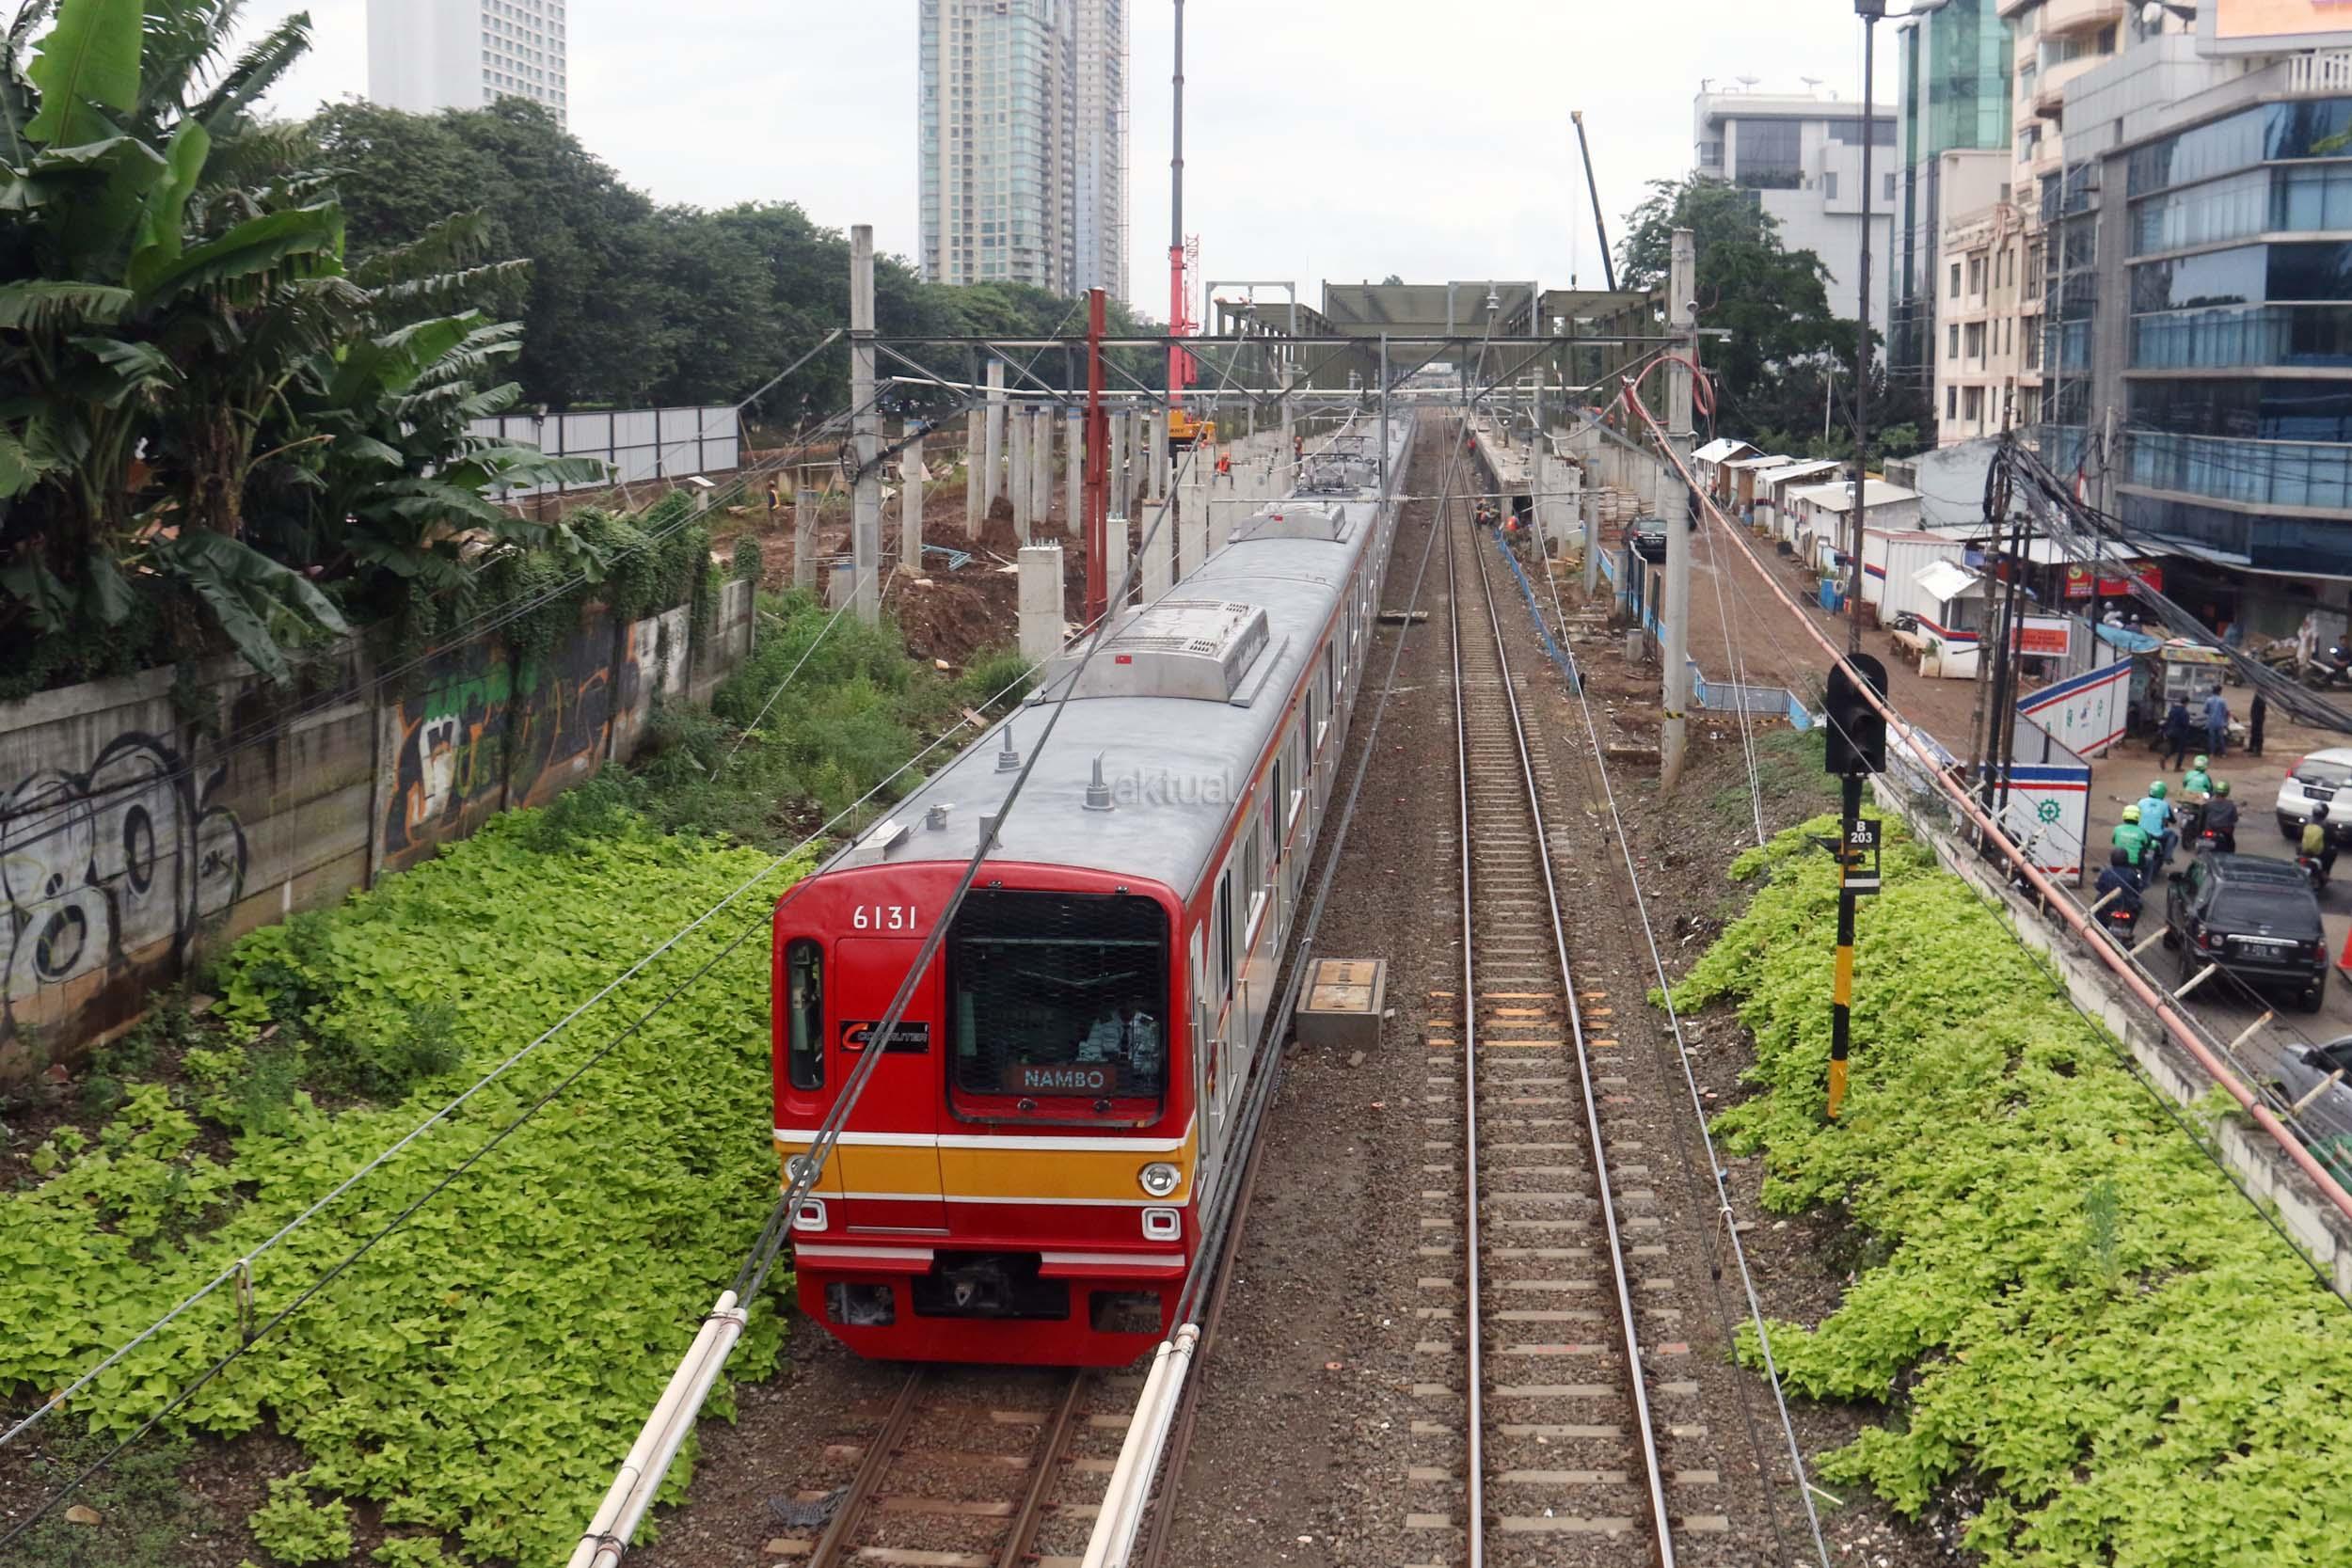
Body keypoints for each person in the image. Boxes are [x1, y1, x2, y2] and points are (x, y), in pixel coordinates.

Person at [2095, 846, 2144, 930]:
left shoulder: (2106, 872)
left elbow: (2099, 887)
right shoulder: (2132, 873)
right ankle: (2130, 928)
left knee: (2098, 907)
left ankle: (2099, 929)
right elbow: (2137, 891)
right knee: (2139, 906)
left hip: (2108, 905)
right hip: (2128, 905)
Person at [2137, 780, 2175, 867]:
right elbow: (2165, 821)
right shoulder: (2164, 805)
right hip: (2157, 834)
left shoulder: (2141, 802)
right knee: (2172, 834)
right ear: (2163, 793)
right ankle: (2167, 856)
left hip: (2141, 832)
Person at [2201, 779, 2239, 853]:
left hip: (2210, 829)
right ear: (2227, 792)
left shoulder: (2209, 804)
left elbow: (2204, 814)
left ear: (2215, 791)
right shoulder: (2231, 805)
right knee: (2231, 845)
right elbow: (2235, 819)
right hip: (2224, 832)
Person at [2304, 803, 2339, 882]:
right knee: (2333, 851)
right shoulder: (2326, 825)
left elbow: (2300, 832)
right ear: (2325, 813)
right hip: (2319, 851)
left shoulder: (2307, 821)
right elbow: (2334, 837)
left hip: (2304, 849)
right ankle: (2325, 872)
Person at [2112, 804, 2152, 873]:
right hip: (2136, 863)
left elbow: (2114, 841)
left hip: (2118, 860)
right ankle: (2146, 880)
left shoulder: (2117, 829)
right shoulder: (2142, 831)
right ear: (2138, 817)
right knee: (2150, 860)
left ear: (2124, 815)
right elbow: (2148, 845)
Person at [2159, 695, 2193, 769]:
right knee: (2182, 750)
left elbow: (2168, 721)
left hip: (2170, 732)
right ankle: (2177, 767)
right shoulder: (2185, 712)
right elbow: (2185, 724)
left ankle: (2164, 757)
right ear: (2187, 703)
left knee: (2173, 748)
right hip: (2180, 733)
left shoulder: (2173, 710)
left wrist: (2166, 731)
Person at [2202, 686, 2231, 758]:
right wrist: (2226, 721)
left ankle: (2212, 753)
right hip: (2220, 722)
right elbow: (2226, 711)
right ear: (2219, 692)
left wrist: (2211, 712)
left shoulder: (2209, 700)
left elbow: (2205, 710)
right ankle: (2223, 753)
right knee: (2221, 738)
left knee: (2212, 738)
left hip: (2211, 722)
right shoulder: (2223, 700)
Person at [2249, 690, 2267, 758]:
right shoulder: (2258, 694)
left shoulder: (2262, 695)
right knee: (2253, 731)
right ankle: (2251, 747)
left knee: (2258, 733)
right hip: (2255, 717)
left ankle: (2258, 751)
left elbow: (2262, 707)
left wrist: (2257, 716)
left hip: (2258, 718)